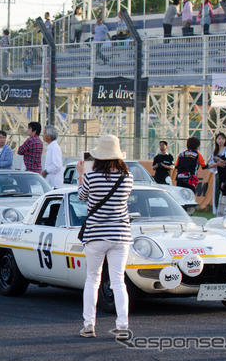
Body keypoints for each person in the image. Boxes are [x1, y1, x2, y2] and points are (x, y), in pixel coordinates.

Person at [75, 134, 134, 340]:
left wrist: (81, 174)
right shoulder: (128, 177)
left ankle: (89, 324)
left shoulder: (92, 177)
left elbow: (82, 197)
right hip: (121, 234)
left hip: (96, 233)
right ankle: (122, 325)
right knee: (118, 281)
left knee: (93, 280)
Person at [209, 133, 226, 213]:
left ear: (225, 140)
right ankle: (217, 210)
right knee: (217, 192)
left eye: (222, 139)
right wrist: (216, 163)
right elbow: (210, 164)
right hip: (217, 174)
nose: (221, 141)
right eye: (219, 139)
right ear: (216, 140)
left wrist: (219, 161)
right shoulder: (214, 151)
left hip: (225, 174)